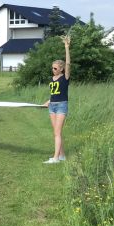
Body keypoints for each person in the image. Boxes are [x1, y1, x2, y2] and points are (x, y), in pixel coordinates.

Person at [43, 35, 70, 163]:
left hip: (61, 106)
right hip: (52, 106)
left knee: (57, 133)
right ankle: (62, 156)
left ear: (61, 69)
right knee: (56, 132)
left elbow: (68, 63)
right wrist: (49, 101)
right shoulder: (52, 79)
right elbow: (54, 93)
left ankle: (55, 158)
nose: (53, 70)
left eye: (55, 68)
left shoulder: (65, 77)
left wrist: (66, 47)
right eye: (52, 68)